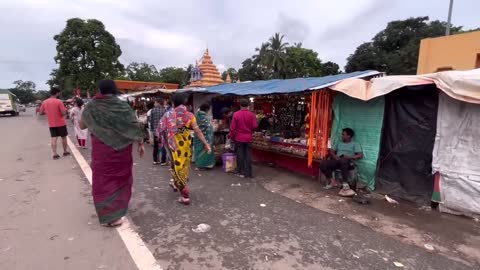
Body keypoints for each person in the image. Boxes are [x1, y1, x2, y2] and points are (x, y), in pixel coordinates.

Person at [80, 79, 145, 227]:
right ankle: (115, 214)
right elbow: (134, 126)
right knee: (120, 180)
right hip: (121, 151)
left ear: (100, 90)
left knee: (102, 181)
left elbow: (82, 125)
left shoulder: (91, 107)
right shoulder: (122, 106)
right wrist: (140, 143)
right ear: (115, 89)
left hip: (101, 152)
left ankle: (107, 215)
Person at [158, 92, 211, 205]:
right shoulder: (190, 116)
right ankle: (175, 182)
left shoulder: (167, 115)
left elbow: (160, 130)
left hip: (173, 146)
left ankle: (185, 195)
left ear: (173, 102)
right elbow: (197, 131)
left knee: (176, 166)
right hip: (186, 146)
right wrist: (206, 144)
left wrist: (166, 142)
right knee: (183, 166)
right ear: (185, 102)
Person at [320, 128, 363, 197]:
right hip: (337, 160)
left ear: (349, 136)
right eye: (342, 134)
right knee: (323, 163)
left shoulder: (355, 144)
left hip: (348, 162)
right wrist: (335, 156)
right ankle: (333, 182)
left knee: (343, 160)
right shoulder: (339, 143)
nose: (342, 136)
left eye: (343, 135)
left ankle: (345, 183)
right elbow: (332, 151)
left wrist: (348, 157)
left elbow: (360, 155)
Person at [39, 87, 70, 159]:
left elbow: (40, 112)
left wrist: (47, 112)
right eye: (59, 93)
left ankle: (55, 154)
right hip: (61, 123)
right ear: (57, 93)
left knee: (53, 138)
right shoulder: (59, 101)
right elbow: (63, 112)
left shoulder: (44, 102)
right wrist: (63, 112)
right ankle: (65, 151)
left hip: (51, 123)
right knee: (63, 137)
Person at [230, 99, 258, 178]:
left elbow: (232, 128)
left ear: (240, 105)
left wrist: (232, 137)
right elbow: (255, 126)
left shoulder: (236, 114)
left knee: (240, 155)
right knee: (248, 155)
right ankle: (248, 173)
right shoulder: (252, 114)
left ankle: (240, 171)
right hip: (248, 137)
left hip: (239, 137)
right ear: (248, 105)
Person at [194, 102, 215, 169]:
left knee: (199, 149)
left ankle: (199, 164)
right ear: (207, 109)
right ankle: (206, 164)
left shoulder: (196, 115)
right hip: (205, 136)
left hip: (197, 136)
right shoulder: (203, 116)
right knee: (206, 149)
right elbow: (208, 126)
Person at [150, 97, 167, 165]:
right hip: (163, 131)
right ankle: (163, 161)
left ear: (158, 103)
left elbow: (151, 121)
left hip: (156, 131)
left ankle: (155, 160)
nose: (154, 103)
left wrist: (151, 130)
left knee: (156, 146)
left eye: (155, 102)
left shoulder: (153, 110)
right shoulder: (165, 111)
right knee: (163, 146)